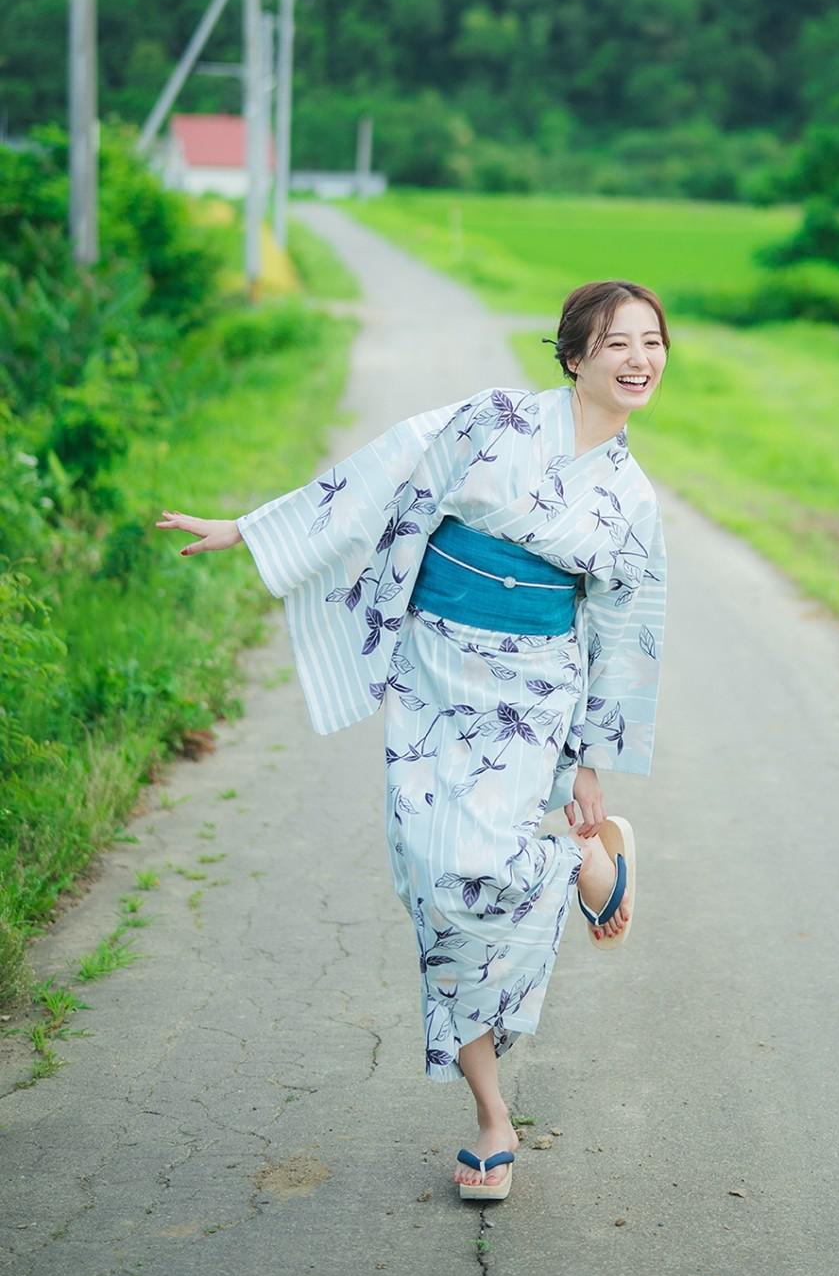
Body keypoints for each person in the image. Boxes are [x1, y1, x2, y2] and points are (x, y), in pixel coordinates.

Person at [156, 280, 668, 1204]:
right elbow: (386, 473)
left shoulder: (630, 499)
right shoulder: (493, 421)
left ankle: (581, 867)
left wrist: (586, 763)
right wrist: (251, 529)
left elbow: (623, 635)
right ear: (573, 356)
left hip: (534, 690)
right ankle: (492, 1108)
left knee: (476, 869)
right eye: (617, 343)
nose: (639, 360)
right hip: (436, 673)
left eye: (653, 343)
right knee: (431, 879)